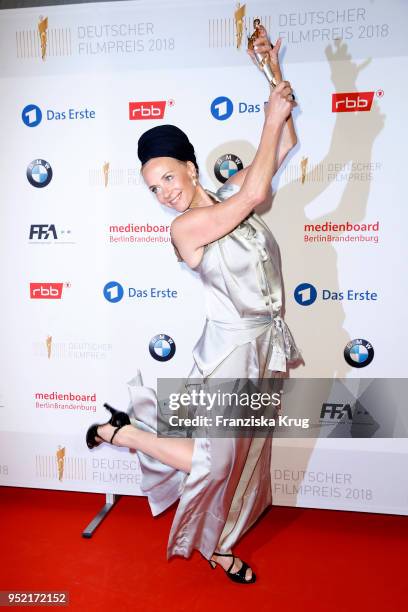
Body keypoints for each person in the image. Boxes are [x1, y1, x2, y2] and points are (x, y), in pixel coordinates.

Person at [86, 27, 300, 584]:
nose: (163, 194)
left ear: (190, 166)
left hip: (264, 349)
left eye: (167, 178)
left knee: (247, 465)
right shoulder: (187, 229)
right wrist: (269, 113)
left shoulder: (233, 202)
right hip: (228, 357)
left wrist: (271, 74)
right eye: (152, 189)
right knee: (217, 461)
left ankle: (223, 545)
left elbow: (284, 149)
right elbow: (256, 189)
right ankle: (126, 434)